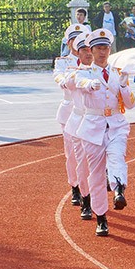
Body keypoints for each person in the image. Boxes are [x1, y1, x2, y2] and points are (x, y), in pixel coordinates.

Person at [75, 28, 135, 237]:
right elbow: (79, 82)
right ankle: (101, 216)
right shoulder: (84, 72)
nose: (102, 52)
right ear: (91, 50)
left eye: (106, 48)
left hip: (116, 124)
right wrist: (89, 84)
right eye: (99, 48)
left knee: (117, 156)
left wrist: (124, 86)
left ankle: (119, 189)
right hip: (93, 127)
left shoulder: (118, 73)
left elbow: (130, 104)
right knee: (97, 174)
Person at [54, 24, 91, 207]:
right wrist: (67, 80)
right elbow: (59, 78)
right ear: (69, 42)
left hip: (90, 113)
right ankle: (75, 186)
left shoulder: (91, 60)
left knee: (88, 154)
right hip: (70, 111)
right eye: (74, 39)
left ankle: (89, 188)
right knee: (72, 154)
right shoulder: (62, 61)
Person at [62, 32, 94, 220]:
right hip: (79, 122)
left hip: (99, 124)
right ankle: (86, 199)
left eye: (92, 49)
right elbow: (67, 82)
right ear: (78, 52)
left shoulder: (104, 71)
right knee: (81, 165)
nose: (89, 53)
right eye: (84, 50)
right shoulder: (73, 71)